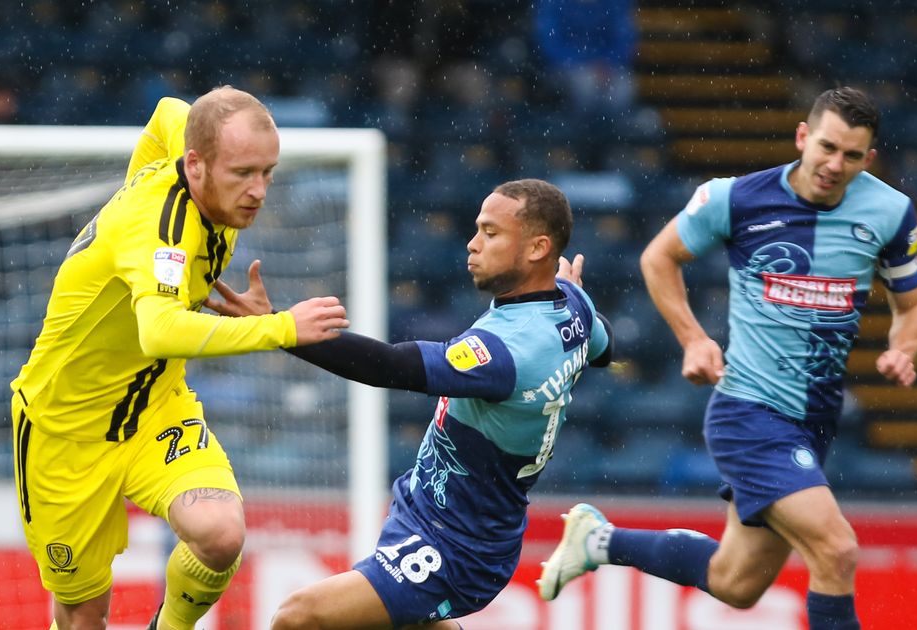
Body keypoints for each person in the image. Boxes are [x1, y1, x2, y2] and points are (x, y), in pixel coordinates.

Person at [539, 87, 917, 630]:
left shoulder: (890, 213)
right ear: (803, 137)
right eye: (826, 147)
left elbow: (914, 310)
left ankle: (600, 540)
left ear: (869, 158)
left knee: (736, 582)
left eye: (851, 155)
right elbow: (659, 258)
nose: (834, 164)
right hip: (750, 412)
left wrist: (902, 348)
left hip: (815, 420)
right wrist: (694, 339)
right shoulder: (736, 198)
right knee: (837, 551)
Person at [9, 86, 350, 630]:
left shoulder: (191, 157)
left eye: (268, 172)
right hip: (64, 428)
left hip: (154, 407)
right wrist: (280, 327)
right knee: (82, 614)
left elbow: (169, 111)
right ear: (195, 165)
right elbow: (161, 330)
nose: (258, 191)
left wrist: (133, 186)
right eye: (242, 173)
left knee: (221, 535)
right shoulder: (159, 232)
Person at [205, 179, 613, 629]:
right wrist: (579, 298)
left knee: (298, 618)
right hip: (438, 518)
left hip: (455, 545)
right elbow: (603, 348)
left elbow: (390, 367)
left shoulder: (509, 349)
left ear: (538, 248)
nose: (473, 244)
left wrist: (277, 328)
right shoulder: (572, 304)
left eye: (491, 233)